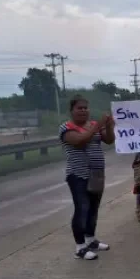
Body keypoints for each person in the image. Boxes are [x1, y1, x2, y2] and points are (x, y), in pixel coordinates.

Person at [60, 95, 116, 261]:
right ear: (72, 111)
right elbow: (80, 141)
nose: (83, 110)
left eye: (86, 107)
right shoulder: (66, 128)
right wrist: (99, 125)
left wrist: (110, 126)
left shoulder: (92, 125)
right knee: (82, 209)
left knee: (93, 208)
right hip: (78, 175)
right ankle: (80, 247)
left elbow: (109, 139)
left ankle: (91, 240)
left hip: (96, 174)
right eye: (79, 108)